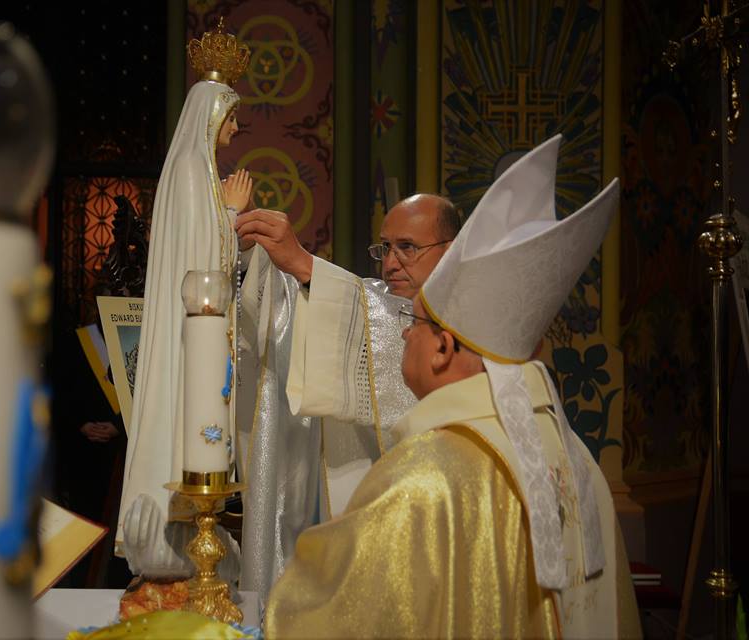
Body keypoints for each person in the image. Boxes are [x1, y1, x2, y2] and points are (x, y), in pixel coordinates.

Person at [264, 135, 642, 638]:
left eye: (415, 325)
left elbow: (331, 616)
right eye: (386, 248)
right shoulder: (580, 465)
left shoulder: (425, 481)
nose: (403, 332)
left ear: (443, 347)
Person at [234, 194, 460, 598]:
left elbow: (367, 319)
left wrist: (305, 265)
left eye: (407, 247)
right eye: (385, 247)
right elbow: (296, 311)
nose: (391, 263)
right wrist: (258, 254)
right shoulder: (376, 297)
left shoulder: (469, 323)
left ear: (451, 250)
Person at [115, 20, 252, 577]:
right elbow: (204, 270)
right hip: (190, 333)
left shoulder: (198, 171)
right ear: (211, 115)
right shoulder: (195, 171)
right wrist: (234, 214)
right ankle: (177, 536)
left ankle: (195, 533)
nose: (236, 128)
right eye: (231, 117)